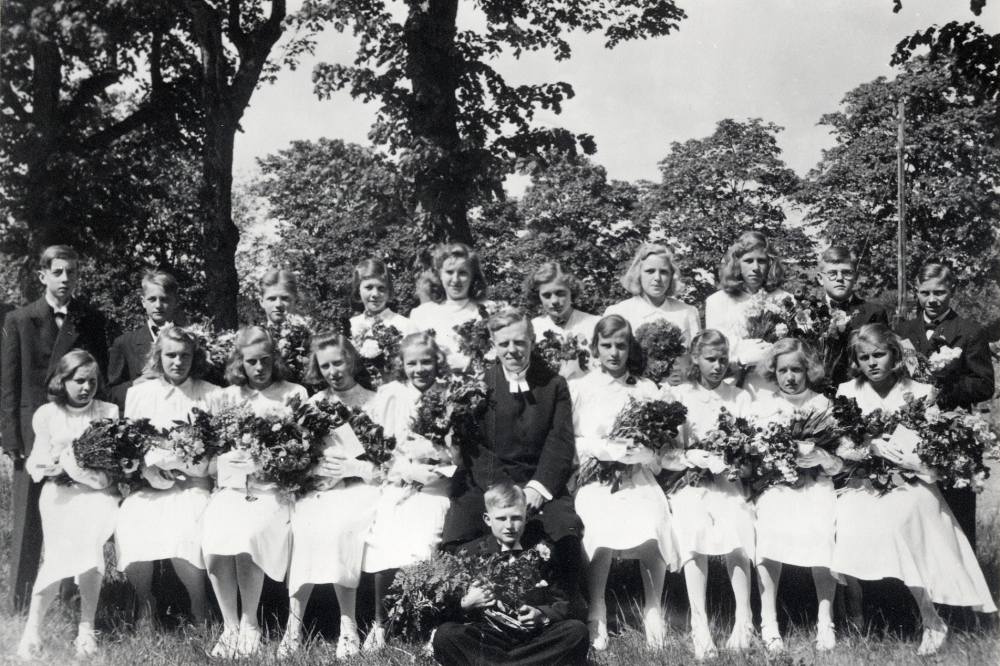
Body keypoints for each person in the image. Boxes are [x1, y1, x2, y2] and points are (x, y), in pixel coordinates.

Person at [832, 323, 996, 655]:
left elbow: (933, 453)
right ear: (856, 362)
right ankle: (856, 614)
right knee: (847, 520)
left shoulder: (920, 392)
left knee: (900, 517)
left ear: (894, 355)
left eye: (879, 355)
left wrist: (909, 461)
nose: (873, 363)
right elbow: (843, 447)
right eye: (865, 358)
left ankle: (932, 619)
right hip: (863, 479)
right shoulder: (847, 391)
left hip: (913, 480)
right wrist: (871, 448)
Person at [442, 307, 584, 599]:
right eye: (504, 343)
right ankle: (462, 609)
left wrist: (538, 488)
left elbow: (560, 441)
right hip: (489, 481)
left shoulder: (554, 385)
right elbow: (475, 448)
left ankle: (565, 609)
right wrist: (504, 491)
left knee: (564, 530)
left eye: (519, 342)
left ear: (532, 340)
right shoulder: (479, 385)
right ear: (494, 345)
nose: (512, 350)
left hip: (539, 482)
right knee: (461, 531)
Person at [1, 245, 109, 612]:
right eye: (58, 272)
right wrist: (12, 440)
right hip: (34, 436)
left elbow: (100, 379)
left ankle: (71, 600)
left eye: (72, 273)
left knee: (76, 515)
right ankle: (19, 601)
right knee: (29, 521)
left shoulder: (90, 320)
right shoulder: (20, 319)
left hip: (78, 432)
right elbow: (9, 384)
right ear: (43, 275)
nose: (65, 280)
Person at [569, 315, 677, 650]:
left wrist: (643, 454)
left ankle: (653, 608)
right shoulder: (582, 388)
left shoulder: (645, 388)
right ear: (594, 348)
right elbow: (569, 439)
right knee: (598, 521)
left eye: (621, 345)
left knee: (653, 517)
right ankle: (597, 609)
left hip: (636, 474)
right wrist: (603, 448)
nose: (614, 353)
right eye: (607, 345)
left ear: (630, 348)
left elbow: (659, 448)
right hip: (595, 475)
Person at [203, 327, 304, 658]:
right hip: (233, 488)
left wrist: (271, 460)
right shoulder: (227, 397)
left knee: (249, 534)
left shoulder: (293, 393)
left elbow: (302, 452)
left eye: (264, 360)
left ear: (274, 358)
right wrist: (227, 459)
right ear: (240, 362)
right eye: (251, 362)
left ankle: (250, 624)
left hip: (274, 490)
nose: (259, 368)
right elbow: (211, 454)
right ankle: (229, 625)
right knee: (214, 535)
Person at [280, 333, 380, 659]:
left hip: (363, 488)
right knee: (303, 523)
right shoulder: (313, 404)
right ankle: (293, 626)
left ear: (350, 359)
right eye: (325, 365)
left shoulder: (373, 402)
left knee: (340, 526)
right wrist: (317, 473)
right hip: (324, 489)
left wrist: (349, 469)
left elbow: (384, 466)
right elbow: (300, 458)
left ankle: (348, 623)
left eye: (338, 362)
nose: (333, 371)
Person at [115, 326, 221, 626]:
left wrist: (184, 465)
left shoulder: (211, 394)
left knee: (183, 531)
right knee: (131, 523)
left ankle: (200, 606)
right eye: (170, 355)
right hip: (149, 485)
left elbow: (214, 453)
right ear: (157, 356)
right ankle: (145, 601)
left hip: (193, 485)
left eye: (185, 355)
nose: (178, 362)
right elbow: (131, 444)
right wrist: (149, 468)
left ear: (195, 357)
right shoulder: (139, 394)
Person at [16, 351, 118, 658]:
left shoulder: (108, 411)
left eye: (91, 381)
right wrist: (49, 464)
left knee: (89, 544)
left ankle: (87, 628)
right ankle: (32, 629)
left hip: (97, 493)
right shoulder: (48, 414)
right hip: (59, 494)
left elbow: (108, 465)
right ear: (63, 380)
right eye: (78, 380)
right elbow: (36, 458)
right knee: (59, 553)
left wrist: (78, 468)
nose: (86, 387)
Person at [362, 332, 460, 650]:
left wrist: (435, 466)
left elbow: (457, 452)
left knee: (427, 535)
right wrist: (406, 470)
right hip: (400, 481)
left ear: (437, 362)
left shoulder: (448, 395)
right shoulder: (391, 394)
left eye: (426, 361)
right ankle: (381, 623)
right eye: (412, 362)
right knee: (385, 531)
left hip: (435, 485)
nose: (420, 369)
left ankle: (427, 621)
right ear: (402, 364)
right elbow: (379, 446)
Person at [661, 330, 754, 660]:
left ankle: (744, 618)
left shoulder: (739, 397)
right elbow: (665, 454)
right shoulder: (679, 395)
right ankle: (700, 625)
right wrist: (690, 457)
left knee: (738, 522)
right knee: (693, 524)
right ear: (695, 360)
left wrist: (733, 461)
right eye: (710, 359)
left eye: (722, 359)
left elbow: (751, 449)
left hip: (728, 480)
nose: (717, 366)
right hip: (690, 480)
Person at [431, 483, 590, 666]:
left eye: (516, 518)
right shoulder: (468, 553)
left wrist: (542, 615)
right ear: (487, 519)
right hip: (490, 636)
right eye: (501, 519)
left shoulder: (543, 551)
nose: (509, 526)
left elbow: (564, 601)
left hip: (534, 637)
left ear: (526, 517)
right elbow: (446, 608)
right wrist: (466, 604)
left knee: (577, 632)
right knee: (445, 636)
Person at [752, 339, 842, 652]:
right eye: (783, 370)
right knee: (770, 529)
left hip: (816, 484)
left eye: (797, 369)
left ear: (808, 371)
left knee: (821, 529)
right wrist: (776, 462)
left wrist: (820, 457)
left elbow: (837, 462)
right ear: (772, 372)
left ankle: (825, 619)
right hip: (775, 484)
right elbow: (755, 454)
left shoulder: (823, 404)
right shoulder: (762, 405)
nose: (790, 377)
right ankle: (768, 619)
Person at [895, 261, 994, 546]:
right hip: (912, 432)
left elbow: (985, 384)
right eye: (925, 293)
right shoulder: (903, 330)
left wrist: (944, 388)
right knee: (916, 514)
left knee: (956, 517)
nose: (932, 300)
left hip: (954, 434)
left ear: (953, 290)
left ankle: (964, 586)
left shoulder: (970, 331)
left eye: (939, 292)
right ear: (916, 291)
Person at [704, 231, 791, 396]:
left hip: (771, 385)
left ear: (771, 264)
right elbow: (715, 349)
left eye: (762, 261)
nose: (756, 268)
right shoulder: (717, 301)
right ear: (737, 264)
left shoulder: (785, 299)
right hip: (730, 384)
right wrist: (748, 353)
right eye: (748, 261)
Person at [108, 270, 184, 410]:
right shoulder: (124, 343)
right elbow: (109, 395)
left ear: (176, 302)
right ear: (143, 302)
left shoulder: (191, 339)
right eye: (152, 299)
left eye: (165, 299)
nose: (158, 305)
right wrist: (135, 385)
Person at [408, 243, 489, 372]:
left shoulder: (488, 311)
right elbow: (409, 358)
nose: (455, 279)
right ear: (439, 274)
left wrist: (466, 365)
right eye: (449, 272)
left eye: (462, 273)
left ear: (473, 277)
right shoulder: (421, 313)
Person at [814, 246, 888, 387]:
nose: (840, 278)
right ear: (820, 278)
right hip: (818, 389)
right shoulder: (810, 313)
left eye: (847, 273)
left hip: (861, 387)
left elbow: (882, 357)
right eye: (832, 273)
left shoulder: (874, 312)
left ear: (856, 277)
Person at [604, 243, 700, 345]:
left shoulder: (688, 312)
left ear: (672, 276)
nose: (657, 278)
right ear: (638, 274)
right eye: (650, 271)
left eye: (663, 272)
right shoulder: (618, 312)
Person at [525, 262, 600, 380]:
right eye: (546, 295)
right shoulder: (533, 327)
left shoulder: (595, 324)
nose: (554, 300)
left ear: (572, 290)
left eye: (560, 293)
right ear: (537, 296)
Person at [349, 258, 419, 339]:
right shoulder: (352, 325)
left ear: (389, 290)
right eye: (369, 287)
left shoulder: (406, 326)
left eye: (381, 288)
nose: (375, 294)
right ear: (358, 290)